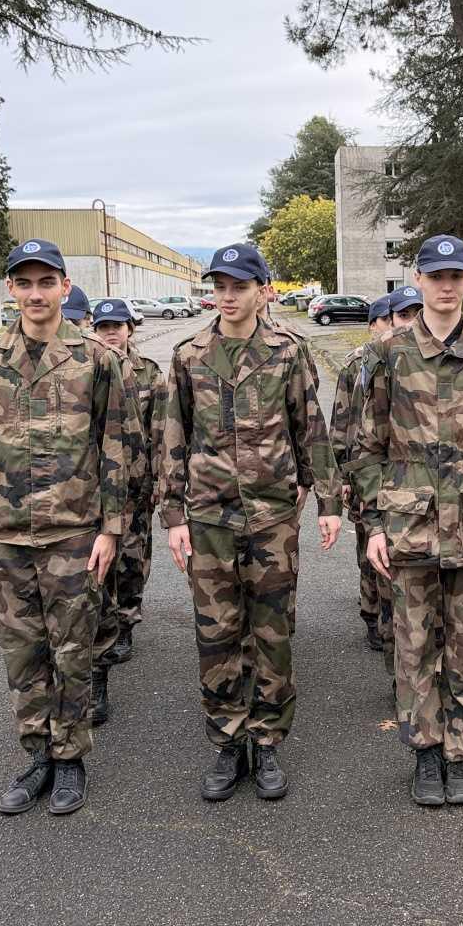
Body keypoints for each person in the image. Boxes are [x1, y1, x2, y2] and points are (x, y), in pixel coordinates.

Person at [160, 243, 342, 802]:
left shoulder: (288, 352)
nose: (228, 296)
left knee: (272, 631)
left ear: (263, 290)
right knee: (216, 632)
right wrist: (172, 515)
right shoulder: (189, 353)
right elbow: (173, 435)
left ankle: (266, 740)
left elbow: (309, 426)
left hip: (272, 516)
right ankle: (225, 741)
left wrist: (330, 502)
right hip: (209, 515)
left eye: (240, 286)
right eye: (220, 286)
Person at [0, 239, 128, 816]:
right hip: (7, 531)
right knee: (22, 651)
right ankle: (37, 755)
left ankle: (70, 758)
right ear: (11, 289)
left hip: (73, 530)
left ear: (63, 287)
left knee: (72, 647)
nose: (35, 293)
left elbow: (114, 446)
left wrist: (111, 528)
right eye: (24, 282)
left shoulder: (94, 360)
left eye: (45, 282)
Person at [352, 235, 463, 808]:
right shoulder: (390, 353)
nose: (446, 286)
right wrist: (373, 524)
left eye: (456, 275)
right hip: (409, 526)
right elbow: (367, 445)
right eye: (435, 275)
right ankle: (425, 753)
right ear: (418, 280)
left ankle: (460, 753)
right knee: (414, 645)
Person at [89, 297, 167, 721]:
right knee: (103, 561)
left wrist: (159, 480)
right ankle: (105, 624)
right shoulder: (90, 368)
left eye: (118, 325)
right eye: (104, 326)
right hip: (101, 488)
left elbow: (160, 430)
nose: (112, 332)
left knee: (133, 557)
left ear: (130, 329)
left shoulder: (150, 373)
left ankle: (125, 621)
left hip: (137, 484)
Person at [330, 294, 395, 656]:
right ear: (374, 324)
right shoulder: (358, 364)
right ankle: (372, 613)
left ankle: (389, 617)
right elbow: (341, 422)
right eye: (391, 318)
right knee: (367, 543)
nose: (401, 323)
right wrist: (340, 474)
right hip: (362, 468)